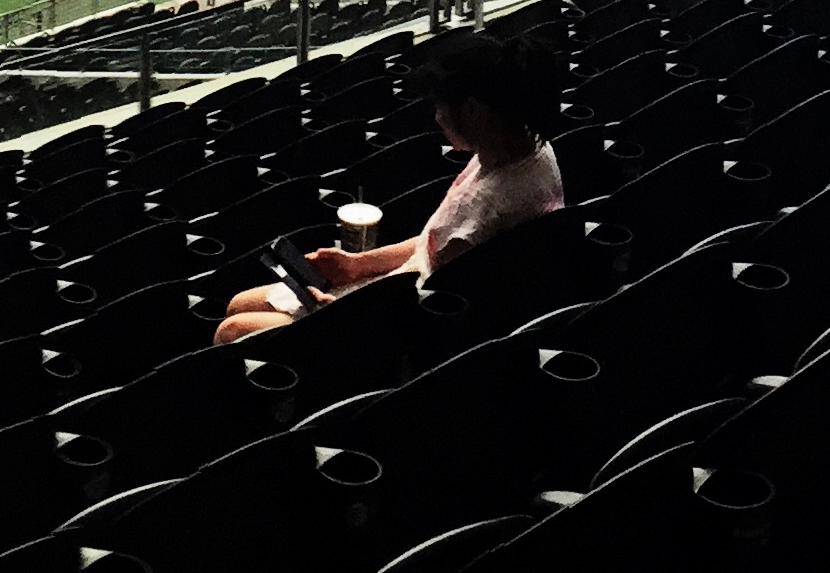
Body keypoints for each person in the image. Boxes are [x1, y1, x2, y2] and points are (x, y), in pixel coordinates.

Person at [216, 28, 567, 346]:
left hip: (391, 325)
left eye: (441, 105)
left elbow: (428, 298)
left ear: (473, 111)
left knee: (230, 330)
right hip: (398, 292)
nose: (437, 117)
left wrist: (336, 309)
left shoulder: (484, 204)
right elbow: (435, 243)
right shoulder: (530, 149)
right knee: (238, 304)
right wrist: (359, 264)